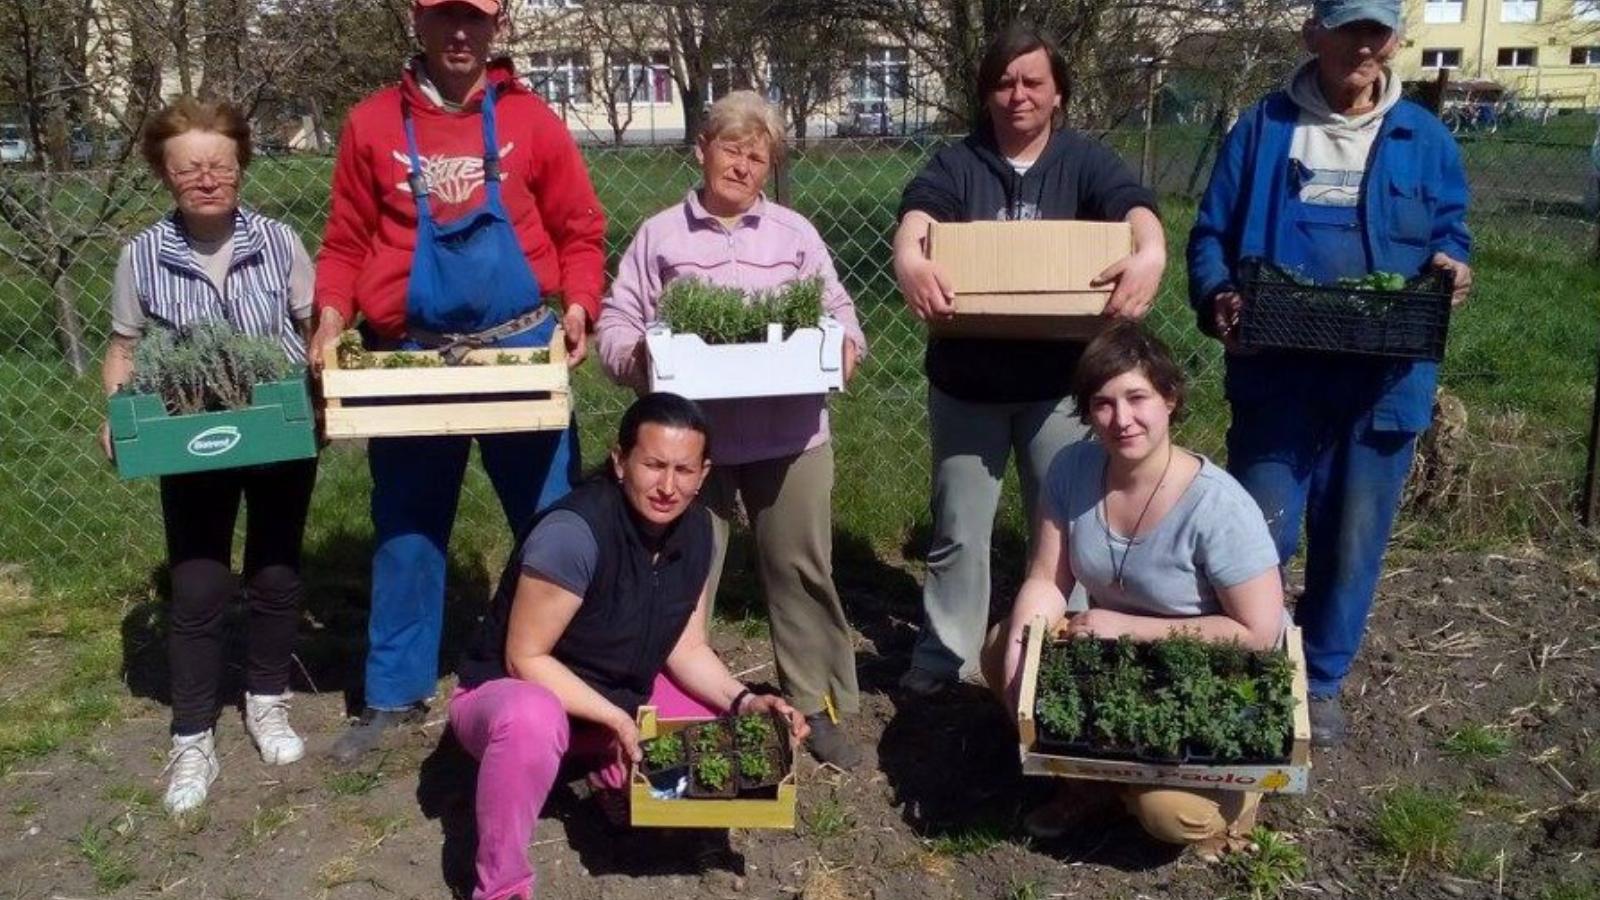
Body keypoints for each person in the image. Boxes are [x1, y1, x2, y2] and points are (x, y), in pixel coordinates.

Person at [311, 0, 605, 762]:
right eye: (445, 17)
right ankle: (394, 693)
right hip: (409, 355)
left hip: (519, 347)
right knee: (407, 527)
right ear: (419, 22)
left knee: (555, 525)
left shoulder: (532, 121)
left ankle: (578, 673)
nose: (460, 33)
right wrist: (331, 314)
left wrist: (578, 304)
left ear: (497, 23)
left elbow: (579, 226)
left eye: (473, 18)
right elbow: (344, 238)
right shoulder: (371, 124)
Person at [1186, 0, 1472, 746]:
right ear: (1315, 33)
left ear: (1396, 40)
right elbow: (1211, 234)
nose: (1363, 46)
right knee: (1259, 534)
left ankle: (1321, 679)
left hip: (1383, 379)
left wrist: (1452, 264)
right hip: (1279, 373)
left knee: (1352, 538)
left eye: (1376, 32)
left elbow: (1451, 231)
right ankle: (1256, 668)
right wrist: (1218, 296)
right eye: (1348, 29)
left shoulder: (1425, 139)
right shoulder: (1264, 130)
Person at [893, 24, 1167, 697]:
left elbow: (1135, 208)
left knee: (1067, 523)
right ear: (986, 93)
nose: (1018, 95)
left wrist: (1152, 250)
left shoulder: (1084, 161)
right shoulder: (958, 165)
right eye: (1004, 82)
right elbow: (919, 217)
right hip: (968, 384)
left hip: (1059, 387)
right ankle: (945, 662)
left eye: (1032, 82)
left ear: (1058, 94)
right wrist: (909, 258)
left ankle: (1064, 654)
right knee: (959, 527)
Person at [595, 91, 868, 767]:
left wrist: (847, 346)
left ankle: (817, 703)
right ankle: (671, 701)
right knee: (681, 577)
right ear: (702, 150)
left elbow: (839, 309)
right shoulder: (660, 236)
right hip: (691, 448)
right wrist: (641, 361)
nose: (743, 166)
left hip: (789, 435)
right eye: (731, 148)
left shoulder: (795, 235)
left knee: (800, 568)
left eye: (758, 156)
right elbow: (615, 325)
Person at [451, 393, 809, 900]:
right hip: (511, 697)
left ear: (704, 473)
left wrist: (746, 700)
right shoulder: (574, 533)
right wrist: (620, 720)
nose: (668, 486)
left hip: (612, 701)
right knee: (532, 718)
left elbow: (685, 649)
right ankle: (501, 886)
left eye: (684, 470)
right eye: (653, 465)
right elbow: (524, 659)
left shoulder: (700, 531)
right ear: (621, 461)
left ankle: (607, 769)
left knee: (717, 725)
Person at [981, 321, 1285, 855]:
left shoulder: (1219, 506)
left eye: (1137, 397)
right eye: (1103, 403)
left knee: (1168, 815)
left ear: (1169, 397)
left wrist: (1126, 627)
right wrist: (1021, 650)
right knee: (1001, 646)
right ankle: (1090, 786)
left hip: (1213, 672)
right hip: (1119, 659)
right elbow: (1047, 579)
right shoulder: (1073, 468)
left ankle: (1234, 800)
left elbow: (1258, 633)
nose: (1121, 419)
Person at [99, 97, 318, 814]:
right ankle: (192, 735)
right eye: (188, 167)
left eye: (219, 164)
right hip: (189, 439)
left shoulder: (281, 243)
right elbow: (125, 349)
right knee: (195, 588)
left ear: (241, 166)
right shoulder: (142, 254)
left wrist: (328, 395)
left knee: (276, 572)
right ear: (166, 174)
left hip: (279, 433)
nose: (206, 178)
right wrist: (120, 414)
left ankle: (266, 699)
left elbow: (314, 328)